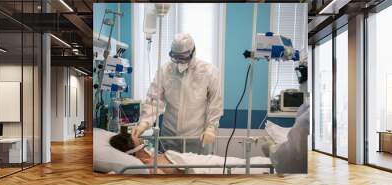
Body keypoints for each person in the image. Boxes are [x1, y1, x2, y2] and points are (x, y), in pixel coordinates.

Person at [132, 33, 223, 154]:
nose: (179, 61)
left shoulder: (209, 71)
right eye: (176, 57)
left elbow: (215, 102)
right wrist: (144, 123)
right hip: (169, 137)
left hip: (196, 137)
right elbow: (154, 100)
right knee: (168, 170)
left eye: (183, 57)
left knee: (194, 171)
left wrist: (211, 128)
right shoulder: (165, 71)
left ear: (192, 52)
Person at [109, 127, 271, 174]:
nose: (145, 144)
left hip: (203, 160)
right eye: (141, 143)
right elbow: (186, 174)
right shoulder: (149, 165)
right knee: (245, 165)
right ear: (133, 150)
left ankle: (267, 164)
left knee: (237, 162)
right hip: (204, 168)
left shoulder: (152, 156)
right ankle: (267, 166)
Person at [261, 58, 309, 174]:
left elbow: (290, 157)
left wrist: (271, 148)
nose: (300, 81)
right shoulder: (307, 110)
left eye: (302, 73)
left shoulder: (306, 118)